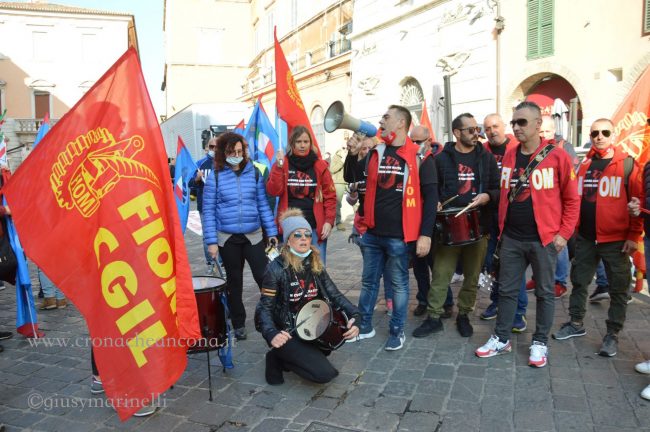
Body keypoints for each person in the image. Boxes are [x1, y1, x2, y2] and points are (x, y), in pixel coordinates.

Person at [475, 101, 579, 368]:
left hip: (544, 239)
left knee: (544, 293)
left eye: (522, 122)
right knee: (507, 290)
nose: (516, 127)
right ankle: (501, 338)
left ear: (537, 124)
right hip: (511, 237)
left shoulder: (557, 156)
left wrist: (563, 234)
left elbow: (572, 199)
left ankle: (540, 342)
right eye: (514, 122)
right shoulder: (510, 155)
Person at [345, 105, 438, 350]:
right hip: (373, 233)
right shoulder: (377, 152)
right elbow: (355, 179)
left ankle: (397, 331)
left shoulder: (420, 156)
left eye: (386, 117)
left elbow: (431, 199)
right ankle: (365, 326)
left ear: (401, 123)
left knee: (398, 285)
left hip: (400, 236)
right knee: (368, 283)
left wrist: (425, 234)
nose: (381, 121)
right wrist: (353, 154)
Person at [552, 118, 641, 356]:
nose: (599, 136)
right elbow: (574, 198)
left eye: (605, 132)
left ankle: (612, 334)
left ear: (614, 135)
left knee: (618, 289)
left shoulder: (627, 164)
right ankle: (576, 323)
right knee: (579, 282)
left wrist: (633, 235)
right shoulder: (585, 164)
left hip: (616, 240)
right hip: (586, 238)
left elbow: (638, 203)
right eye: (594, 133)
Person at [412, 113, 499, 339]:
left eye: (477, 129)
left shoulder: (486, 158)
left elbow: (498, 189)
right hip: (448, 227)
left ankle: (464, 315)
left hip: (478, 226)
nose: (476, 133)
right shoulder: (441, 159)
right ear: (457, 133)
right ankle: (434, 317)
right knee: (441, 274)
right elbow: (431, 191)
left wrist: (488, 196)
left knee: (472, 276)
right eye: (470, 130)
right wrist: (436, 201)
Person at [255, 209, 360, 385]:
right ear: (288, 240)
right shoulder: (275, 269)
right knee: (325, 375)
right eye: (297, 235)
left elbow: (335, 294)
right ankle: (276, 357)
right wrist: (272, 333)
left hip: (309, 323)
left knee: (332, 340)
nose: (303, 238)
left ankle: (291, 355)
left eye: (307, 234)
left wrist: (356, 316)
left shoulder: (314, 262)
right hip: (287, 329)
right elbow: (264, 308)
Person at [202, 132, 278, 340]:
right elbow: (208, 212)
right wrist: (211, 242)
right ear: (223, 153)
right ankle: (238, 323)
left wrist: (271, 232)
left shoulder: (254, 173)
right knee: (234, 282)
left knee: (264, 277)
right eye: (231, 152)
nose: (236, 155)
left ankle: (270, 316)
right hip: (227, 238)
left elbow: (263, 205)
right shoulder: (215, 177)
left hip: (253, 235)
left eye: (239, 151)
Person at [479, 113, 527, 333]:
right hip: (489, 218)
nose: (492, 131)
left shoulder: (516, 149)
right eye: (487, 128)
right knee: (492, 264)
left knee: (513, 267)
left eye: (495, 126)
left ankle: (519, 312)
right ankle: (497, 302)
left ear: (504, 126)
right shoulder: (482, 151)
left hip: (511, 218)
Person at [267, 126, 336, 263]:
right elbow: (273, 191)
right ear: (292, 143)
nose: (303, 145)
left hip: (314, 227)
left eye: (306, 142)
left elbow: (330, 196)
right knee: (292, 269)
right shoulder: (283, 163)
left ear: (310, 143)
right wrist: (278, 168)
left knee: (317, 268)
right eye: (298, 142)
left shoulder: (320, 165)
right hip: (290, 227)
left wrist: (329, 221)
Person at [409, 125, 454, 319]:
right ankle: (423, 300)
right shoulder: (411, 158)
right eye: (411, 141)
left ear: (428, 141)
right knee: (419, 267)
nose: (414, 144)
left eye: (418, 141)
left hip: (434, 221)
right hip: (414, 220)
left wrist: (440, 199)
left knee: (437, 266)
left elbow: (448, 184)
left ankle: (447, 302)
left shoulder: (440, 159)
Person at [189, 136, 217, 274]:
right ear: (207, 148)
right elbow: (190, 183)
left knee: (223, 235)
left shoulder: (226, 163)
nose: (214, 149)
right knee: (207, 236)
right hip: (205, 207)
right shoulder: (200, 164)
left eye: (217, 147)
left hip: (222, 207)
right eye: (212, 147)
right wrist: (197, 178)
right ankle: (211, 263)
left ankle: (222, 263)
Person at [329, 144, 348, 231]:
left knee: (357, 202)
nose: (345, 149)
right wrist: (342, 161)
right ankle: (338, 222)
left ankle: (359, 222)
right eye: (343, 148)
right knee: (338, 203)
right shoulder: (337, 156)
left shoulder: (353, 154)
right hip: (339, 182)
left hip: (350, 181)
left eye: (347, 147)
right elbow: (332, 169)